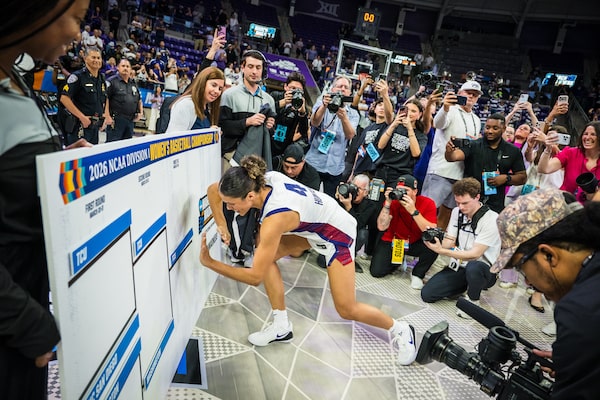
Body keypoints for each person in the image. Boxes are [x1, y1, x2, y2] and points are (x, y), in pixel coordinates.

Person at [199, 155, 418, 365]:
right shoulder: (262, 180)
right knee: (266, 257)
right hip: (319, 222)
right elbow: (213, 190)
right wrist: (222, 224)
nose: (229, 208)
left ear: (249, 197)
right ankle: (281, 326)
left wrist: (211, 263)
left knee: (346, 308)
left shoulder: (275, 218)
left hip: (337, 234)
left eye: (231, 204)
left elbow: (255, 277)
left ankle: (401, 329)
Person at [0, 0, 93, 398]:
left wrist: (59, 161)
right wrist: (25, 321)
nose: (77, 34)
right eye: (75, 18)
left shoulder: (16, 78)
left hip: (28, 305)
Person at [490, 188, 599, 400]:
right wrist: (582, 361)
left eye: (520, 267)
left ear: (548, 254)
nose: (528, 282)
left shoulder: (580, 312)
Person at [421, 178, 500, 318]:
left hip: (484, 270)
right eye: (458, 202)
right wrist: (436, 240)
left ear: (477, 197)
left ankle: (473, 302)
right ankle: (462, 286)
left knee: (474, 267)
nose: (461, 207)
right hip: (461, 265)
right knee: (427, 294)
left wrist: (441, 251)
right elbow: (450, 241)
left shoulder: (492, 219)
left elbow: (475, 254)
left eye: (465, 203)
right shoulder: (457, 212)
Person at [421, 80, 483, 229]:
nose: (471, 96)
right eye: (468, 93)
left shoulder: (476, 119)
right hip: (441, 171)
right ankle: (414, 241)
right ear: (459, 93)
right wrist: (445, 107)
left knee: (448, 214)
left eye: (475, 95)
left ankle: (435, 243)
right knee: (426, 210)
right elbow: (438, 123)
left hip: (461, 175)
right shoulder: (450, 110)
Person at [445, 113, 527, 213]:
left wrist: (506, 178)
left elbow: (522, 177)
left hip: (495, 203)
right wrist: (449, 152)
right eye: (487, 128)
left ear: (503, 129)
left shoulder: (512, 151)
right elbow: (453, 157)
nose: (490, 131)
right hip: (470, 200)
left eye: (495, 128)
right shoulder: (474, 145)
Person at [370, 175, 438, 284]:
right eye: (399, 189)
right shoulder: (393, 201)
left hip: (415, 241)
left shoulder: (428, 203)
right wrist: (387, 204)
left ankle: (418, 274)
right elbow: (381, 227)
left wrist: (413, 211)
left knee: (435, 241)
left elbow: (431, 230)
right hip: (394, 240)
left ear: (415, 191)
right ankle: (397, 261)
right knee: (377, 272)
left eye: (405, 190)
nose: (401, 193)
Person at [219, 50, 276, 170]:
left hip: (257, 160)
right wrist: (247, 122)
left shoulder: (269, 100)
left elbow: (270, 135)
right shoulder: (229, 95)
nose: (254, 71)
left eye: (258, 67)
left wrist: (270, 127)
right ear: (242, 68)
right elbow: (223, 126)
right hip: (231, 156)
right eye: (250, 66)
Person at [305, 75, 360, 197]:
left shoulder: (353, 114)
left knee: (329, 201)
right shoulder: (321, 102)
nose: (342, 89)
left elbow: (350, 135)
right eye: (339, 86)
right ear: (332, 89)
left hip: (335, 168)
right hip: (314, 162)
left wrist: (344, 118)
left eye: (346, 87)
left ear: (350, 93)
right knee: (307, 197)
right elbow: (314, 122)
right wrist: (324, 106)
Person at [537, 121, 600, 203]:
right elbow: (544, 169)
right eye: (585, 134)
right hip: (564, 204)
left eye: (593, 134)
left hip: (593, 208)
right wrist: (548, 149)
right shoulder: (570, 153)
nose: (587, 137)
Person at [58, 47, 106, 145]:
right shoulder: (78, 77)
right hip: (79, 126)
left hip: (94, 127)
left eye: (98, 58)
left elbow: (105, 98)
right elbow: (64, 98)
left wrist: (105, 116)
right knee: (77, 154)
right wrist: (82, 117)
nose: (96, 60)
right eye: (93, 57)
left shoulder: (101, 78)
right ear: (85, 58)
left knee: (92, 154)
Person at [376, 100, 428, 185]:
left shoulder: (421, 135)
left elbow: (416, 154)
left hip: (401, 174)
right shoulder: (394, 127)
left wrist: (409, 128)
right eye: (407, 109)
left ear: (419, 115)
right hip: (382, 170)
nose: (409, 113)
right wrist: (394, 124)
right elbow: (380, 145)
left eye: (413, 111)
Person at [166, 66, 224, 132]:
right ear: (202, 82)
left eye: (220, 89)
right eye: (213, 85)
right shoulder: (186, 104)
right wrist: (206, 134)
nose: (217, 91)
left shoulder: (207, 109)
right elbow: (176, 136)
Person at [269, 72, 309, 157]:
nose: (295, 91)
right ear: (285, 87)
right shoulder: (275, 96)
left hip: (283, 148)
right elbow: (265, 112)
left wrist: (302, 113)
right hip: (267, 141)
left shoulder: (300, 105)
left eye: (299, 90)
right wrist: (281, 103)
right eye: (292, 88)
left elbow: (303, 131)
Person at [103, 58, 143, 142]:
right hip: (116, 119)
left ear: (130, 69)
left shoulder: (133, 83)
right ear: (118, 67)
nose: (125, 68)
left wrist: (140, 112)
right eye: (123, 66)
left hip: (130, 120)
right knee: (113, 145)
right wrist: (107, 116)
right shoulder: (112, 81)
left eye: (127, 66)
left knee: (127, 145)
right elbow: (105, 99)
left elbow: (138, 99)